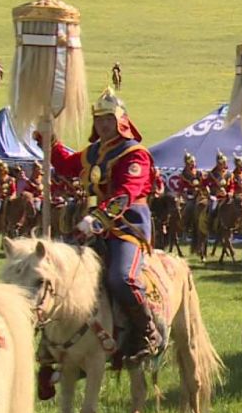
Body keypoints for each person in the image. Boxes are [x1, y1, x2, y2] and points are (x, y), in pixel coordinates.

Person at [45, 86, 162, 365]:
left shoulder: (135, 154)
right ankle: (56, 338)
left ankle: (147, 331)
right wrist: (48, 139)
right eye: (99, 120)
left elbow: (125, 193)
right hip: (89, 225)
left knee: (119, 278)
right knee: (59, 273)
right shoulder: (95, 151)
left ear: (121, 120)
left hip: (126, 227)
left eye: (108, 119)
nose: (103, 125)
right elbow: (66, 165)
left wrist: (96, 220)